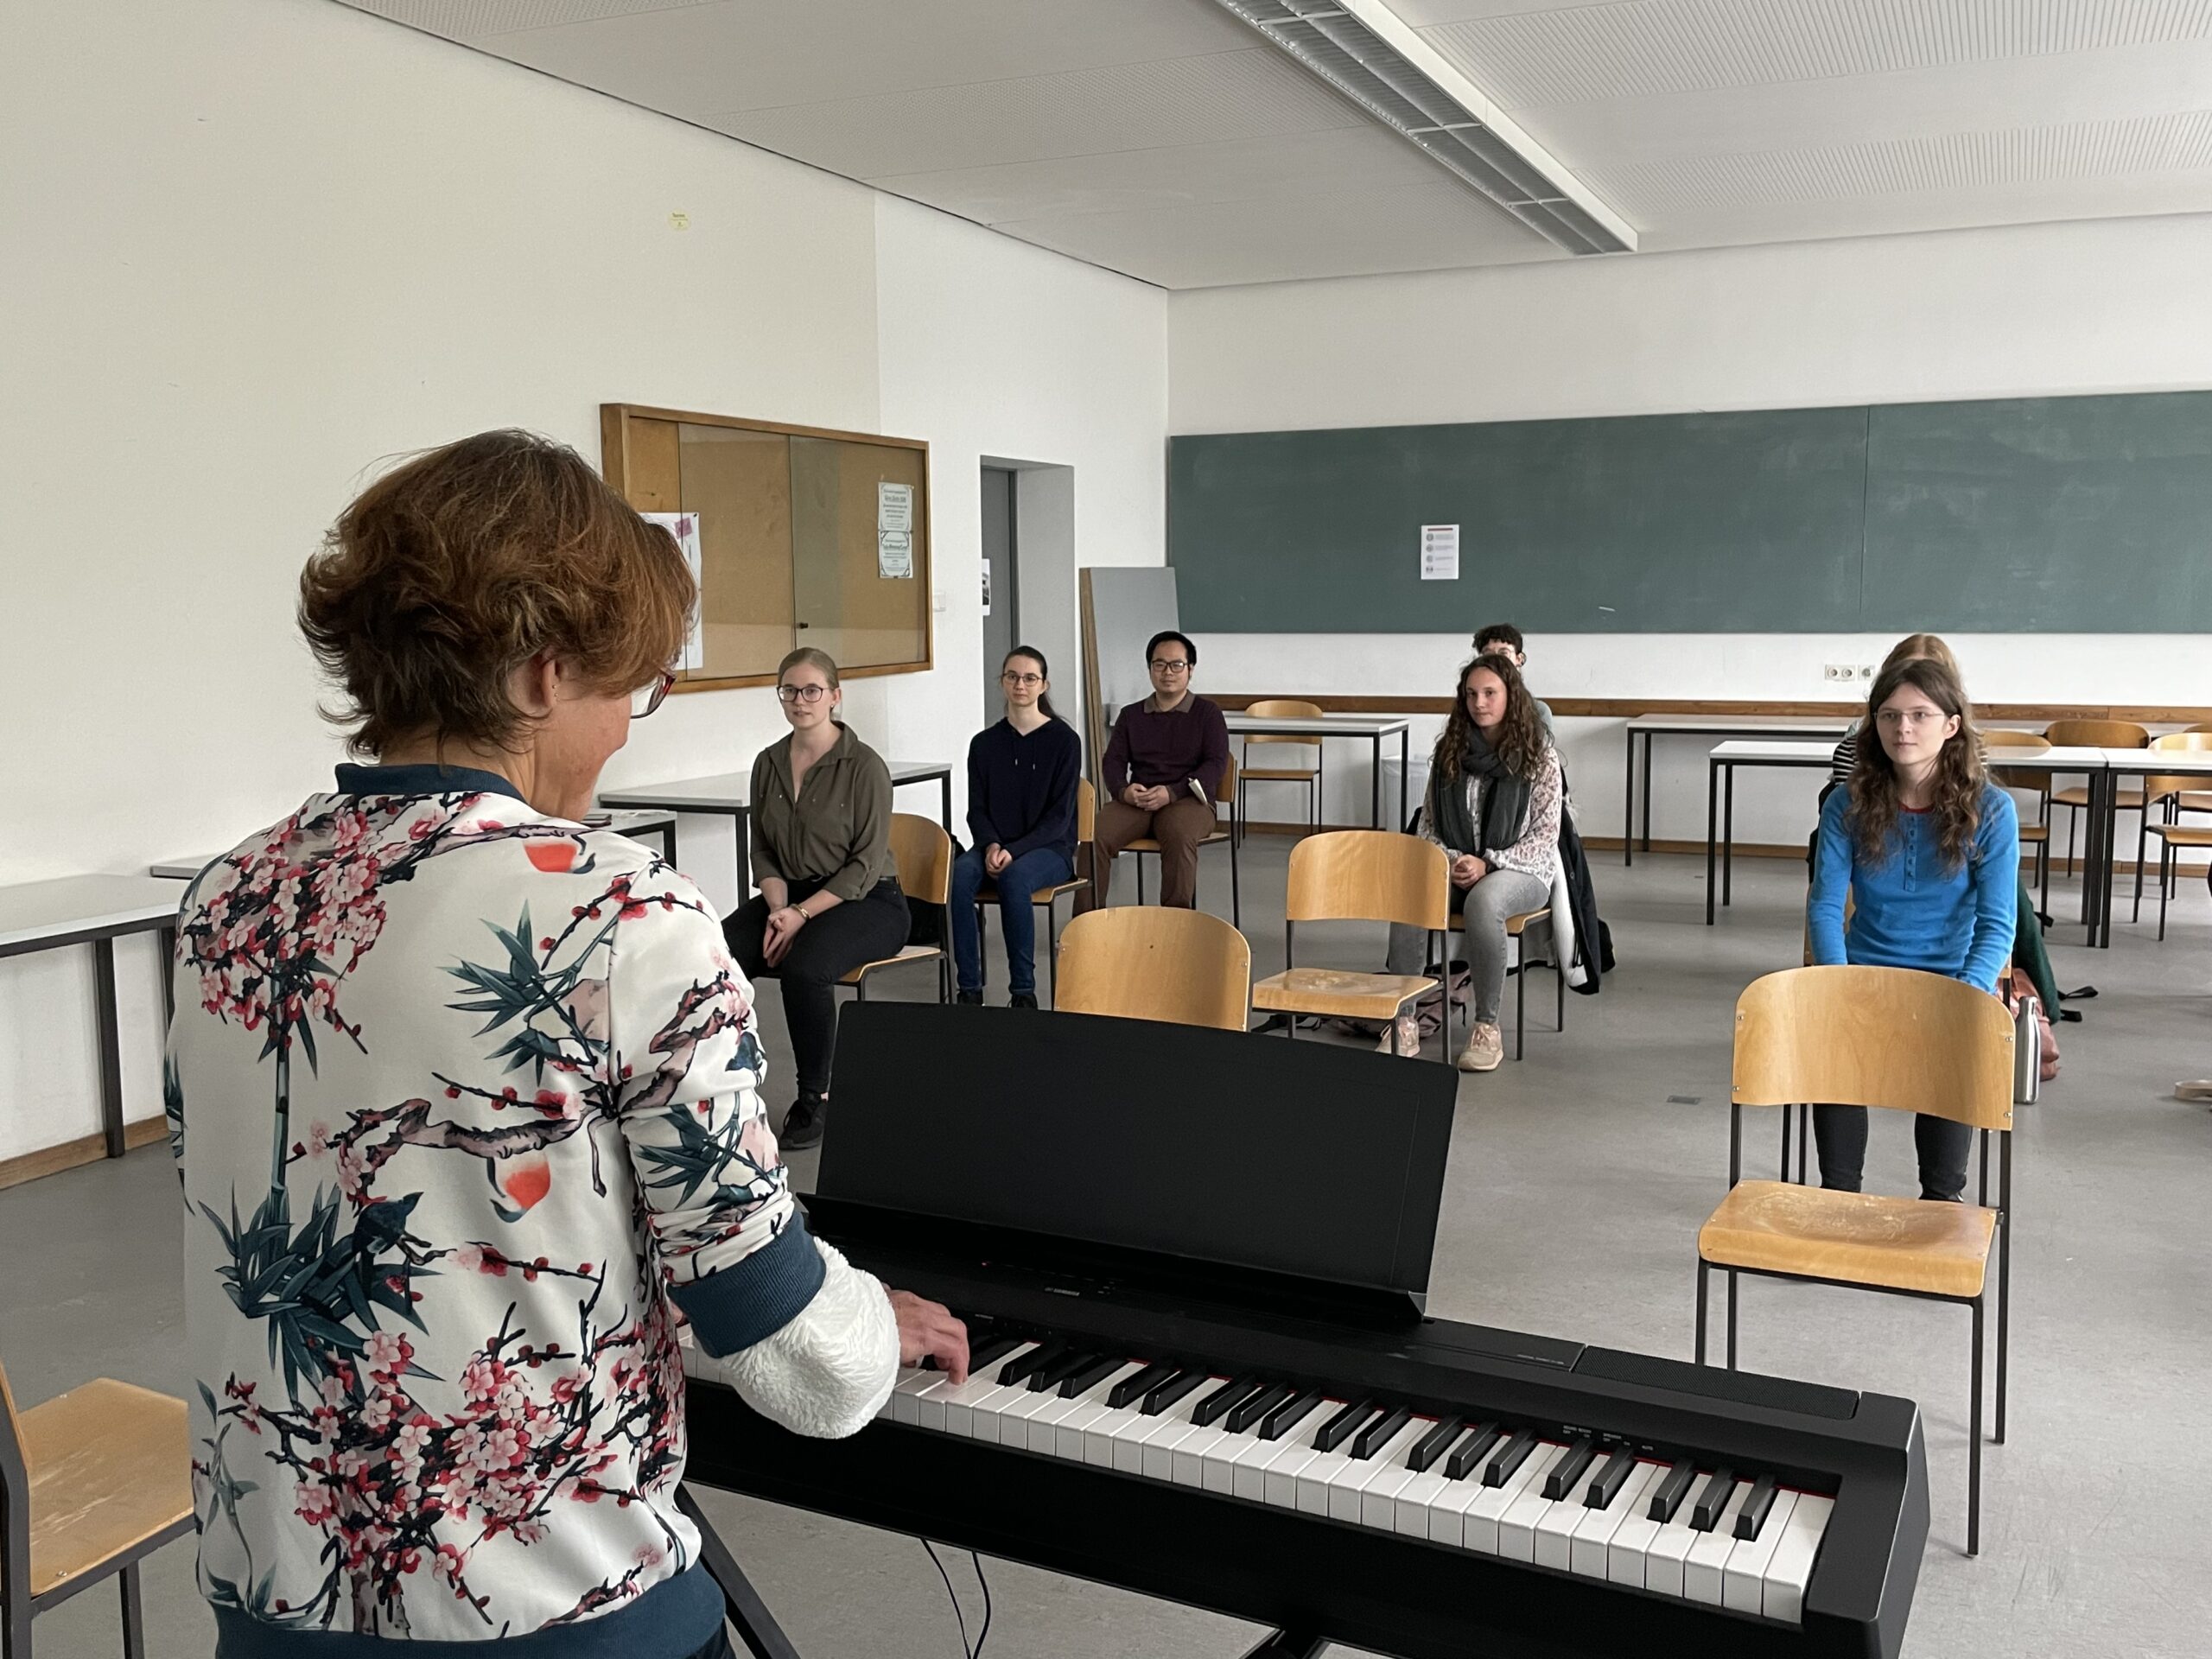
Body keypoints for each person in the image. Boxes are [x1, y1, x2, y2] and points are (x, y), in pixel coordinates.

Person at [172, 429, 965, 1656]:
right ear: (542, 677)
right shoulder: (619, 913)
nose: (629, 731)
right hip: (568, 1622)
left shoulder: (227, 902)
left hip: (273, 1619)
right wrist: (864, 1318)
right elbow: (797, 1364)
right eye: (630, 689)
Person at [1808, 657, 2019, 1201]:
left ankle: (1942, 1202)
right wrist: (1839, 983)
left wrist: (1965, 996)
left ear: (1951, 726)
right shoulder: (1845, 804)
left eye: (1920, 715)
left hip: (1950, 980)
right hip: (1864, 977)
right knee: (1833, 1047)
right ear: (1873, 725)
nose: (1903, 728)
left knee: (1952, 1052)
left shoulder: (1992, 809)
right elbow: (1826, 907)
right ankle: (1839, 1199)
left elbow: (1998, 925)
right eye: (1889, 715)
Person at [723, 647, 910, 1150]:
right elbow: (762, 848)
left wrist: (801, 915)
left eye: (811, 690)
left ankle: (815, 1098)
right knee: (716, 952)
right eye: (789, 690)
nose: (800, 700)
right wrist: (782, 908)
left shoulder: (864, 766)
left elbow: (865, 865)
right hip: (793, 895)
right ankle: (719, 1086)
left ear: (834, 696)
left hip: (868, 900)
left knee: (806, 970)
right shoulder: (768, 763)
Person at [1385, 652, 1562, 1071]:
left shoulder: (1539, 756)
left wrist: (1488, 862)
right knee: (1413, 894)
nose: (1479, 703)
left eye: (1489, 693)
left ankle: (1487, 1026)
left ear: (1510, 697)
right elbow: (1427, 826)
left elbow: (1544, 837)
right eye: (1471, 694)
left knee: (1485, 902)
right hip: (1456, 864)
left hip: (1521, 870)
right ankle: (1404, 1020)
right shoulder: (1450, 752)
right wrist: (1453, 859)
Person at [950, 645, 1083, 1006]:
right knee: (959, 877)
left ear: (1043, 685)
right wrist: (992, 845)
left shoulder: (1065, 741)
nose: (1020, 685)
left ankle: (1023, 992)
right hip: (994, 845)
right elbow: (976, 810)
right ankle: (969, 989)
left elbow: (1060, 818)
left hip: (1050, 850)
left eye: (1029, 678)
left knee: (1015, 878)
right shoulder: (984, 744)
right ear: (1002, 682)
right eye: (1012, 677)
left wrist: (1013, 851)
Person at [1092, 629, 1230, 910]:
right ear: (1150, 669)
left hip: (1191, 801)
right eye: (1159, 664)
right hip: (1139, 801)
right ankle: (1084, 926)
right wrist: (1123, 791)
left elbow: (1216, 764)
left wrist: (1173, 792)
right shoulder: (1131, 715)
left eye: (1176, 665)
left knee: (1179, 836)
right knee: (1094, 834)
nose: (1168, 672)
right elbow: (1113, 761)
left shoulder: (1208, 714)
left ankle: (1173, 929)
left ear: (1190, 670)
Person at [1473, 622, 1554, 734]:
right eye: (1489, 654)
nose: (1496, 660)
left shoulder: (1538, 711)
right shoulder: (1472, 707)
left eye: (1504, 653)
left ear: (1519, 659)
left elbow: (1540, 750)